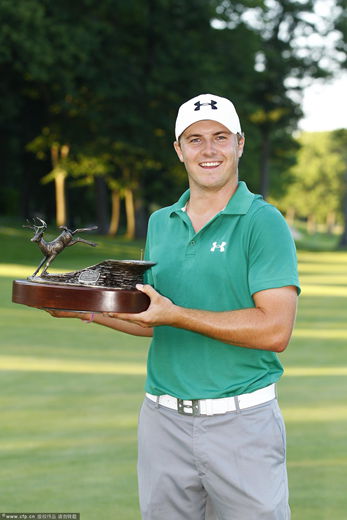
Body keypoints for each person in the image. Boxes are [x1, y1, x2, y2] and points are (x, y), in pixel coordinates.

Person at [50, 93, 300, 520]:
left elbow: (275, 330)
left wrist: (176, 314)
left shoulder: (264, 222)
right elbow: (153, 318)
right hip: (162, 423)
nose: (209, 150)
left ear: (239, 144)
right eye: (195, 139)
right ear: (178, 150)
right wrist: (87, 310)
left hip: (241, 423)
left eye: (220, 137)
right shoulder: (160, 222)